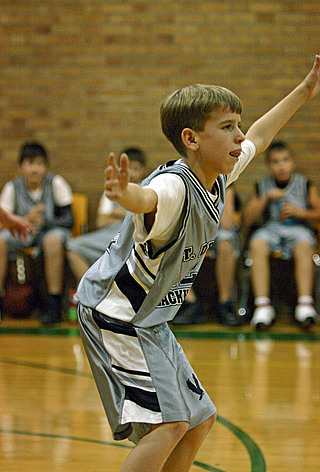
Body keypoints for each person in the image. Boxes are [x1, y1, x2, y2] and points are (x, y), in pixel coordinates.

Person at [76, 55, 320, 472]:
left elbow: (262, 133)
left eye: (238, 125)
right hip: (115, 313)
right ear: (191, 139)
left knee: (199, 420)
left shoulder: (218, 175)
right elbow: (148, 199)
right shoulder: (174, 186)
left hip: (149, 318)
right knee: (170, 424)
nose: (240, 136)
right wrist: (124, 195)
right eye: (228, 127)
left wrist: (305, 90)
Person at [243, 140, 320, 331]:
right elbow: (247, 219)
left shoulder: (305, 184)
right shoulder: (262, 186)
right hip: (271, 229)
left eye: (285, 160)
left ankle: (305, 305)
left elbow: (318, 212)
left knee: (304, 245)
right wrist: (266, 198)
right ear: (269, 165)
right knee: (257, 244)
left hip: (298, 229)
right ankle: (262, 306)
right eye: (276, 162)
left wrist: (300, 212)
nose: (281, 165)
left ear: (292, 162)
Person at [0, 141, 74, 325]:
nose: (35, 169)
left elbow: (69, 220)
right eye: (30, 163)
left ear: (46, 167)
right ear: (21, 166)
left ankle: (54, 303)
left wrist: (44, 221)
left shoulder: (56, 182)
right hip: (23, 232)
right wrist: (26, 220)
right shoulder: (12, 187)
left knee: (52, 241)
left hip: (50, 231)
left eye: (40, 164)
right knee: (0, 241)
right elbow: (4, 221)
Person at [66, 147, 147, 284]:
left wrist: (117, 213)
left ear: (143, 170)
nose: (131, 174)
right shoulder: (112, 189)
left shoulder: (147, 189)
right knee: (72, 246)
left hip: (136, 238)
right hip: (111, 236)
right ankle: (92, 292)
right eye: (128, 168)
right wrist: (130, 213)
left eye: (135, 169)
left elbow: (145, 218)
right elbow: (101, 221)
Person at [172, 184, 242, 326]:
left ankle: (225, 303)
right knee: (173, 241)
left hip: (219, 232)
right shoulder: (187, 180)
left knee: (226, 244)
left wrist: (225, 193)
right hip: (194, 230)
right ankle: (190, 302)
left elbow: (227, 224)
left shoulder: (226, 184)